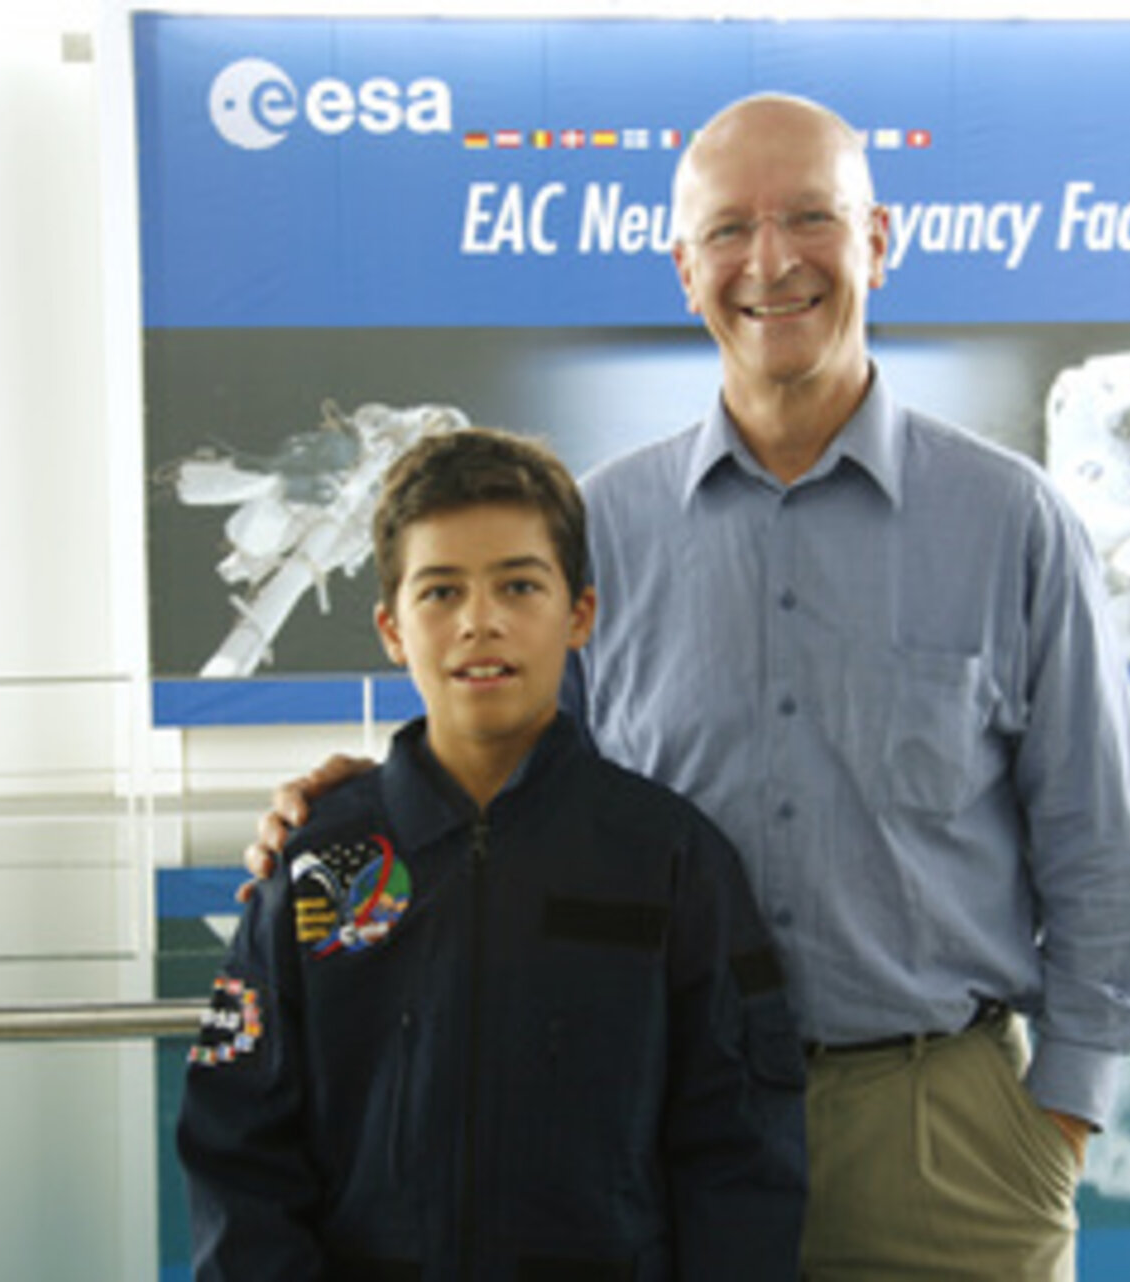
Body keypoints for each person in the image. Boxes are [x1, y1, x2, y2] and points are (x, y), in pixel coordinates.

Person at [248, 94, 1130, 1281]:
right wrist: (354, 809)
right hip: (651, 1129)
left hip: (939, 1148)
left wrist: (1052, 1126)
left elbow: (1098, 847)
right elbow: (512, 790)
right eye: (730, 230)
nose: (771, 261)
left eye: (810, 219)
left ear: (878, 239)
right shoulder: (601, 530)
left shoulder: (1012, 525)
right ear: (684, 268)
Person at [181, 427, 807, 1280]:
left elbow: (741, 1153)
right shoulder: (324, 863)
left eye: (519, 585)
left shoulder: (671, 861)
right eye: (440, 592)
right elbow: (237, 1147)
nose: (481, 621)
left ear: (579, 614)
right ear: (391, 630)